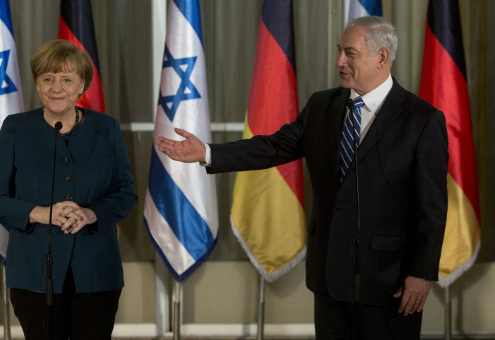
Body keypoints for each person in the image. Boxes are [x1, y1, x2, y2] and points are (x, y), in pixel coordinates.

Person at [155, 16, 448, 340]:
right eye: (339, 51)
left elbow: (431, 209)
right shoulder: (322, 105)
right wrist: (208, 152)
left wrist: (421, 273)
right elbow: (273, 147)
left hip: (389, 282)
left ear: (381, 57)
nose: (339, 61)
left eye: (349, 53)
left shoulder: (422, 120)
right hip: (330, 277)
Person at [0, 39, 137, 340]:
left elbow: (125, 193)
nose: (56, 87)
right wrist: (41, 213)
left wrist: (91, 214)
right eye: (48, 78)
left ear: (82, 86)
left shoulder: (107, 128)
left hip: (96, 270)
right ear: (37, 84)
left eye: (67, 79)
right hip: (34, 272)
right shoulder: (15, 128)